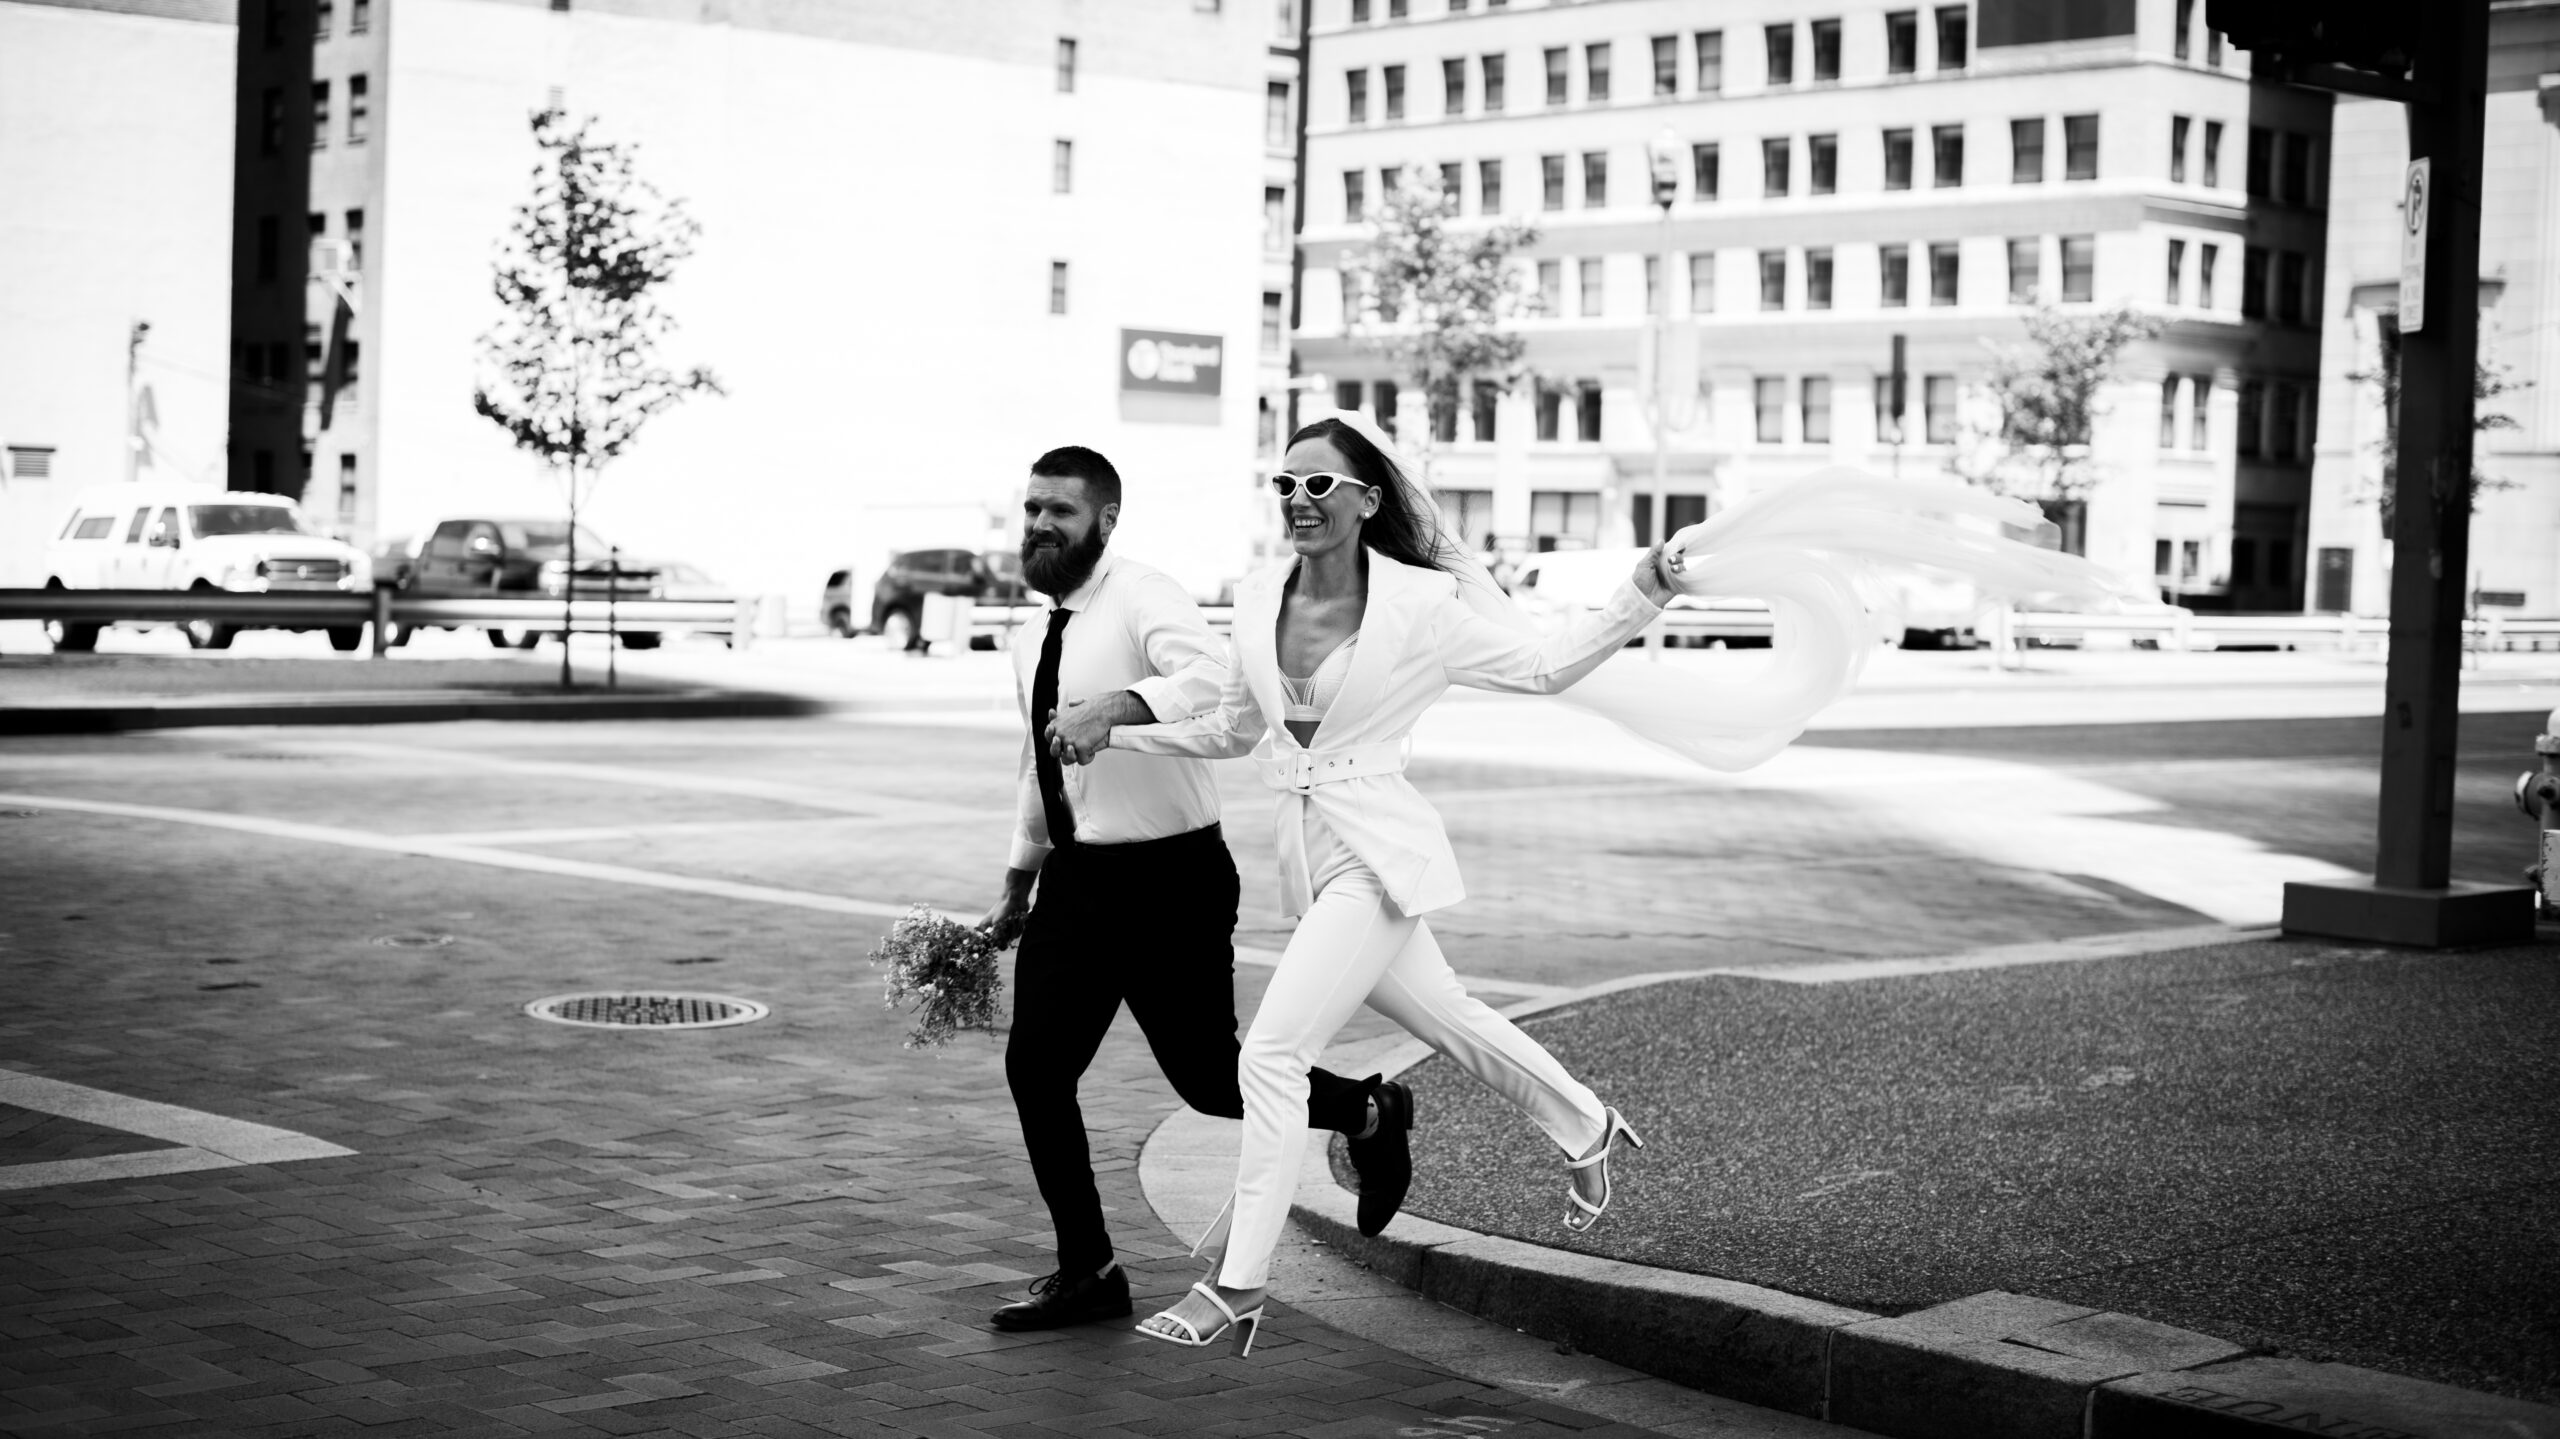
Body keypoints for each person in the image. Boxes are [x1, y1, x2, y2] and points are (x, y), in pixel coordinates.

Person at [1046, 420, 1679, 1356]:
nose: (1300, 500)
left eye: (1321, 485)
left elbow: (1544, 667)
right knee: (1450, 1014)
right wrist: (1122, 729)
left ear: (1367, 501)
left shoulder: (1421, 606)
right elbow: (1230, 727)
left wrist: (1640, 594)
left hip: (1378, 857)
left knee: (1267, 1056)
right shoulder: (1262, 594)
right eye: (1286, 484)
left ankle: (1238, 1282)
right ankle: (1588, 1126)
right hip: (1312, 856)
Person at [979, 444, 1416, 1336]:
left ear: (1103, 520)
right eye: (1030, 509)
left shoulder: (1143, 593)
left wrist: (1117, 706)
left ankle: (1369, 1111)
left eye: (1059, 510)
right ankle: (1089, 1267)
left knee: (1213, 1080)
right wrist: (1020, 879)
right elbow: (1039, 761)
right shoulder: (1033, 634)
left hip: (1169, 879)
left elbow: (1212, 682)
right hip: (1075, 880)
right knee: (1036, 1068)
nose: (1040, 526)